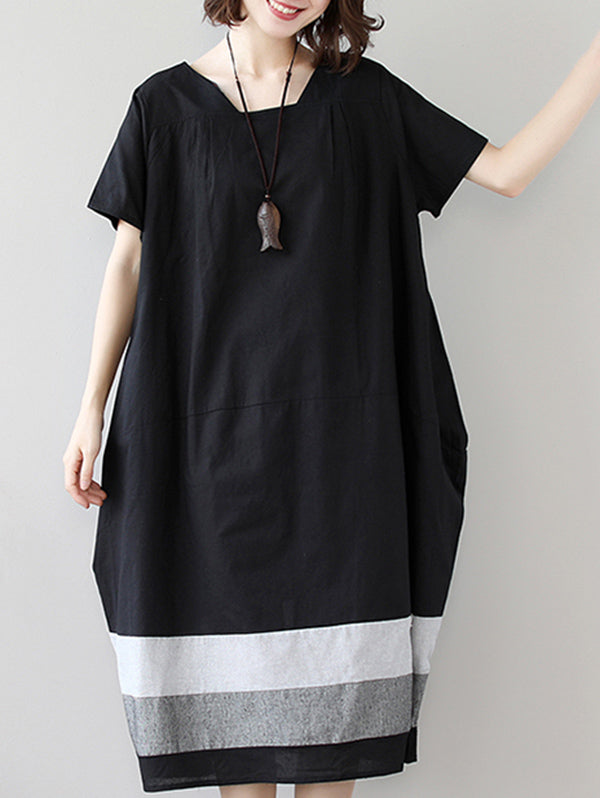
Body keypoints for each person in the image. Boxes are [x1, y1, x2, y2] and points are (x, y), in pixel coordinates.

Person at [63, 1, 600, 795]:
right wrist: (90, 409)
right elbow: (128, 261)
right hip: (209, 467)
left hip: (342, 472)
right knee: (238, 757)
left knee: (334, 755)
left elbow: (509, 171)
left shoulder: (367, 98)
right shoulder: (163, 108)